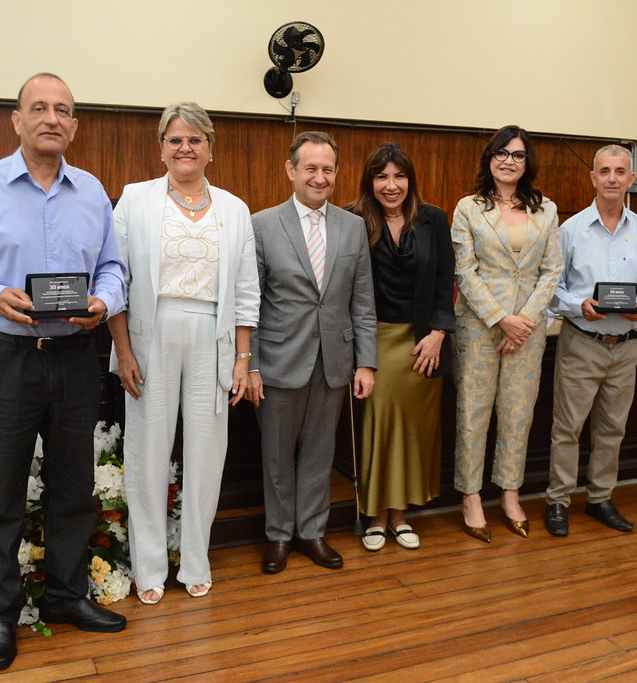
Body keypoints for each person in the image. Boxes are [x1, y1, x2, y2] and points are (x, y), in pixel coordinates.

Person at [0, 73, 128, 671]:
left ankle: (67, 598)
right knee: (2, 494)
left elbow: (114, 268)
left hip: (74, 359)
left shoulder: (93, 191)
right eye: (38, 108)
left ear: (73, 125)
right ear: (15, 120)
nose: (52, 118)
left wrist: (104, 301)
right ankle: (1, 613)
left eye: (63, 110)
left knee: (73, 490)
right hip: (6, 359)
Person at [108, 102, 259, 604]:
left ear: (210, 148)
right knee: (147, 456)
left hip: (211, 339)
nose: (185, 148)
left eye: (195, 139)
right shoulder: (134, 200)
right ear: (162, 147)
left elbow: (245, 291)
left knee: (206, 457)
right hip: (150, 336)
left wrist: (242, 359)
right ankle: (148, 568)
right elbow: (114, 279)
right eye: (175, 140)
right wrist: (124, 351)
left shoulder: (235, 209)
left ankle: (195, 559)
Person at [247, 131, 377, 573]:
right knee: (277, 457)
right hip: (280, 361)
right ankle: (280, 535)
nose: (319, 178)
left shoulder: (353, 226)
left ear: (336, 173)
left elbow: (363, 302)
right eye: (310, 168)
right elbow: (252, 302)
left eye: (327, 169)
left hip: (334, 361)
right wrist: (252, 366)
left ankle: (312, 532)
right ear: (291, 170)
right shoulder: (262, 224)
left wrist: (366, 361)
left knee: (320, 455)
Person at [544, 145, 637, 537]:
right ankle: (558, 501)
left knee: (613, 429)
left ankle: (600, 498)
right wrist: (579, 304)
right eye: (605, 171)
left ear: (631, 180)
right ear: (593, 178)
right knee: (568, 428)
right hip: (582, 342)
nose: (612, 178)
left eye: (620, 171)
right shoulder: (571, 230)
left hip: (628, 346)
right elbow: (551, 289)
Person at [451, 125, 563, 543]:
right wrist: (501, 318)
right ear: (489, 158)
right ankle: (471, 496)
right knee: (473, 411)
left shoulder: (546, 209)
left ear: (527, 162)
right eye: (501, 152)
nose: (509, 160)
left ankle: (511, 494)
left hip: (529, 330)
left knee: (518, 413)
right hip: (479, 326)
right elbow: (463, 269)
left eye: (517, 154)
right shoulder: (468, 208)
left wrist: (524, 321)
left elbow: (552, 270)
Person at [347, 142, 454, 551]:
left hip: (423, 342)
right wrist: (361, 353)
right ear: (369, 181)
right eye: (381, 177)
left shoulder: (433, 219)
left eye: (399, 176)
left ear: (410, 179)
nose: (391, 186)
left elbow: (446, 282)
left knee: (414, 431)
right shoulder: (353, 219)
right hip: (374, 340)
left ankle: (401, 515)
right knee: (380, 427)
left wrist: (438, 334)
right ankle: (375, 514)